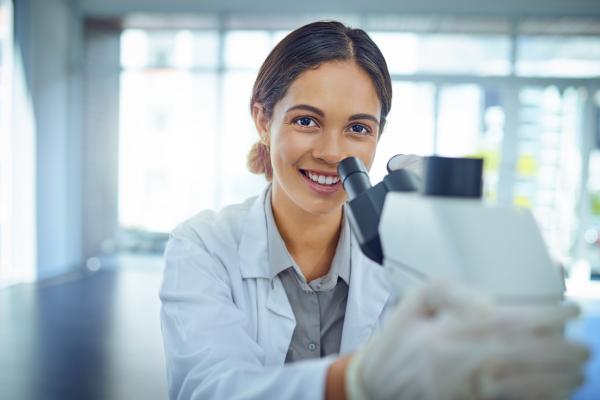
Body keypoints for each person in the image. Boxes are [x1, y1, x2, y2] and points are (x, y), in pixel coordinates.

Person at [159, 21, 589, 399]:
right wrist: (356, 382)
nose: (332, 152)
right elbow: (209, 387)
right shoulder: (203, 246)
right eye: (306, 121)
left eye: (358, 128)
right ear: (262, 119)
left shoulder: (403, 248)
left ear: (379, 136)